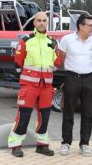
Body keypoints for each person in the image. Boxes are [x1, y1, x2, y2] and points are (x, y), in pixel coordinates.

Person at [8, 12, 60, 157]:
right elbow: (18, 62)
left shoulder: (53, 42)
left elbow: (56, 63)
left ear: (47, 22)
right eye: (39, 20)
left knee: (45, 117)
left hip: (46, 86)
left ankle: (42, 145)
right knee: (23, 116)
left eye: (44, 20)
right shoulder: (25, 41)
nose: (42, 23)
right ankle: (15, 145)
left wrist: (47, 74)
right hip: (29, 85)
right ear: (34, 23)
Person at [57, 13, 92, 156]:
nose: (91, 28)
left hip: (89, 78)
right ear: (80, 26)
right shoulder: (67, 39)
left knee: (88, 113)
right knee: (68, 112)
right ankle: (66, 143)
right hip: (72, 77)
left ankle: (84, 144)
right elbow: (61, 58)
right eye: (89, 25)